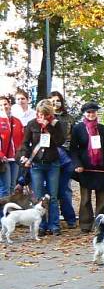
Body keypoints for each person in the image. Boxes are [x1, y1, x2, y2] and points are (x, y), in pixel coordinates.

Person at [19, 100, 66, 235]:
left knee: (53, 195)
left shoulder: (56, 124)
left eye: (45, 114)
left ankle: (54, 225)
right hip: (37, 164)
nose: (42, 117)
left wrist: (49, 127)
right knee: (39, 195)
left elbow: (60, 142)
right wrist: (25, 156)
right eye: (39, 113)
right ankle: (41, 225)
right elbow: (25, 143)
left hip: (53, 163)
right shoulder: (32, 124)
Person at [70, 102, 104, 232]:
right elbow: (73, 149)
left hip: (100, 167)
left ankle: (101, 224)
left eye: (93, 112)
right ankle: (85, 224)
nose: (91, 114)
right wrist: (77, 164)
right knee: (85, 198)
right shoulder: (78, 128)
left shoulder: (102, 128)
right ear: (84, 113)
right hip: (85, 168)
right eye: (88, 112)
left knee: (102, 198)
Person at [48, 91, 78, 229]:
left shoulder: (69, 118)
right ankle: (51, 219)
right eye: (52, 101)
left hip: (66, 157)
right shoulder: (45, 118)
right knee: (52, 190)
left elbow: (74, 138)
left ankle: (70, 218)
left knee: (65, 189)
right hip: (50, 157)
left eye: (58, 100)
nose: (55, 103)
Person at [0, 96, 24, 196]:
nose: (3, 107)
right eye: (0, 105)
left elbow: (23, 140)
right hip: (3, 159)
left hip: (15, 159)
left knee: (12, 186)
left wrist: (21, 154)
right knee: (5, 188)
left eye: (5, 104)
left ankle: (9, 211)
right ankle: (2, 212)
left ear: (10, 105)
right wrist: (1, 155)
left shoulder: (17, 121)